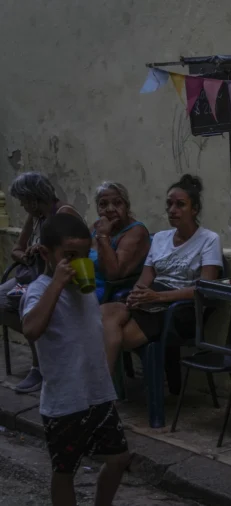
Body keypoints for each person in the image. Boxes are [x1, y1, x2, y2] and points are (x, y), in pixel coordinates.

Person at [20, 213, 131, 506]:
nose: (78, 262)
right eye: (69, 256)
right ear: (46, 254)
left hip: (97, 395)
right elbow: (31, 329)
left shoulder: (86, 291)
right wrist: (56, 284)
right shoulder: (40, 291)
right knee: (65, 470)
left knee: (119, 458)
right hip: (64, 402)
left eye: (83, 255)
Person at [101, 175, 222, 374]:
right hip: (152, 299)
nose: (172, 210)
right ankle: (102, 391)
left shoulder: (208, 239)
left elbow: (205, 288)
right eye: (169, 204)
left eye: (180, 205)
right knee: (102, 314)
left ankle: (102, 392)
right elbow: (145, 280)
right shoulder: (160, 238)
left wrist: (158, 297)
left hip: (180, 306)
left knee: (114, 337)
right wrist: (136, 295)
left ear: (194, 209)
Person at [3, 172, 85, 393]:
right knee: (2, 299)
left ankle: (39, 365)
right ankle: (43, 348)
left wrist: (46, 253)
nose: (21, 205)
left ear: (32, 198)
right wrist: (27, 255)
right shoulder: (36, 217)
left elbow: (76, 254)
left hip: (59, 276)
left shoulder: (64, 214)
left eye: (23, 200)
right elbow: (16, 250)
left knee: (25, 304)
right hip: (34, 272)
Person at [89, 181, 151, 302]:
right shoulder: (96, 226)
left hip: (109, 292)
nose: (110, 209)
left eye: (117, 203)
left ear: (126, 207)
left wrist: (103, 236)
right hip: (84, 285)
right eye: (103, 204)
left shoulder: (136, 232)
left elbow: (113, 275)